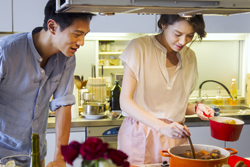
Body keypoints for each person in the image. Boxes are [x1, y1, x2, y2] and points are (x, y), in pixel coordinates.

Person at [0, 0, 95, 166]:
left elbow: (63, 104)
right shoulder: (6, 52)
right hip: (3, 156)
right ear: (52, 27)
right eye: (76, 34)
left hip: (36, 155)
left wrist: (59, 158)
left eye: (85, 35)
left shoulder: (67, 58)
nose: (82, 42)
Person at [118, 14, 215, 165]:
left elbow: (175, 105)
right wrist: (162, 127)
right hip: (141, 133)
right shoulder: (139, 47)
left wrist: (196, 107)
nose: (183, 42)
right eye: (177, 34)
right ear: (163, 24)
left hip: (174, 136)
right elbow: (125, 102)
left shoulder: (190, 57)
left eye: (190, 36)